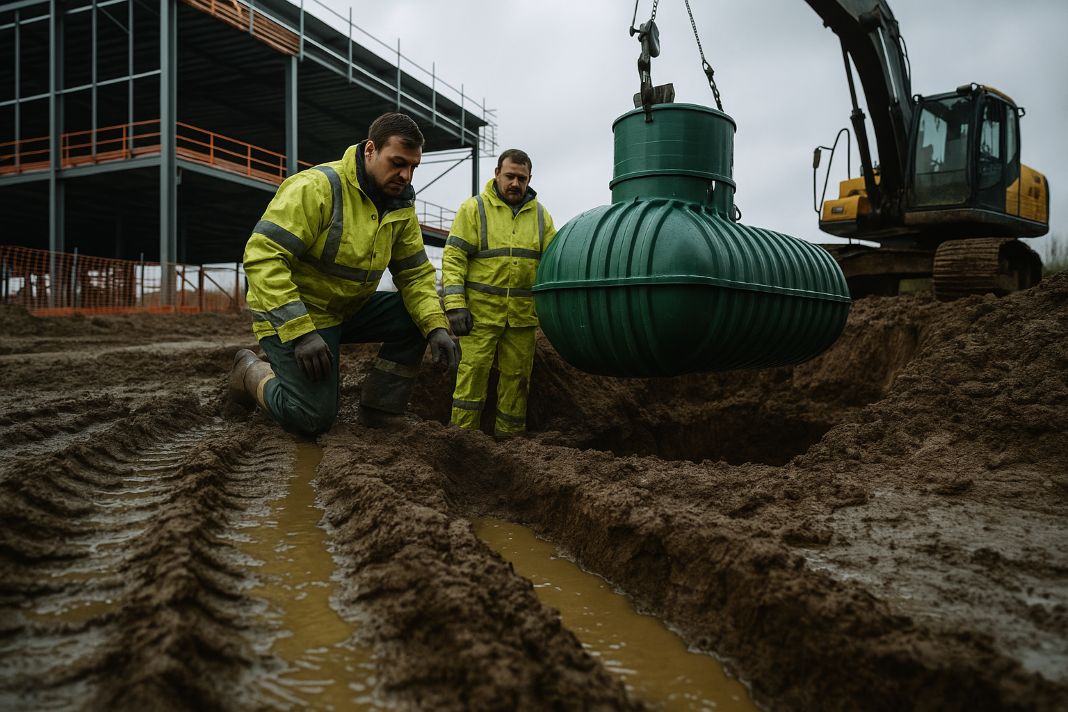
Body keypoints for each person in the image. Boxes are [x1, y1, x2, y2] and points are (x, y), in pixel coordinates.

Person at [229, 112, 459, 436]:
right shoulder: (316, 187)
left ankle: (380, 408)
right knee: (311, 418)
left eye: (412, 167)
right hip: (299, 313)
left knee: (419, 316)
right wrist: (300, 332)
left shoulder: (400, 206)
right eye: (397, 162)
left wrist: (436, 327)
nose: (405, 175)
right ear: (370, 151)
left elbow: (415, 274)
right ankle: (250, 372)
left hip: (349, 308)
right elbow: (262, 258)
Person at [441, 149, 556, 437]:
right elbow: (454, 258)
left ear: (530, 179)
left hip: (522, 318)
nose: (515, 183)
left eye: (522, 178)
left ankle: (510, 441)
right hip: (479, 315)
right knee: (472, 374)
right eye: (510, 176)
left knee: (518, 379)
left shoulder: (542, 217)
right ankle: (462, 439)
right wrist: (455, 304)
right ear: (496, 174)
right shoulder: (474, 209)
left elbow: (553, 263)